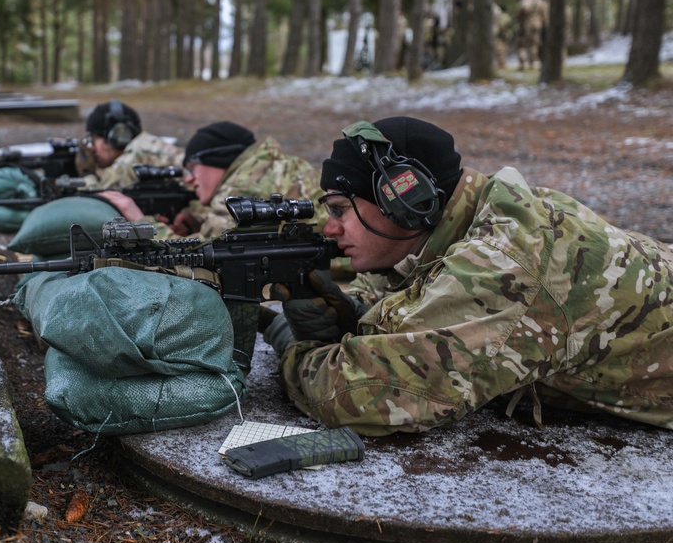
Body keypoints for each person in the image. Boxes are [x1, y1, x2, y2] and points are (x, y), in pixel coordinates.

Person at [264, 116, 673, 437]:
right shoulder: (469, 218)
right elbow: (414, 308)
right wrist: (345, 315)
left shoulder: (500, 261)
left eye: (339, 210)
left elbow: (363, 394)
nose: (331, 229)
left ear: (406, 203)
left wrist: (295, 345)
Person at [101, 121, 327, 240]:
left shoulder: (245, 185)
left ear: (216, 160)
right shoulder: (261, 167)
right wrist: (200, 227)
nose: (189, 180)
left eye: (192, 168)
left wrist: (141, 221)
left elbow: (203, 255)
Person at [81, 100, 183, 189]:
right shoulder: (146, 145)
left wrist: (86, 174)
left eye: (95, 140)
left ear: (118, 136)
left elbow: (100, 197)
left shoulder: (133, 158)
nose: (92, 148)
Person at [516, 0, 549, 71]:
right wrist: (546, 25)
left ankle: (529, 63)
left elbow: (518, 15)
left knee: (527, 44)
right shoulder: (541, 1)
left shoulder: (523, 2)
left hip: (527, 25)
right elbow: (545, 14)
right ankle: (535, 62)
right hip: (538, 24)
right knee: (536, 44)